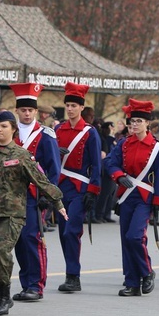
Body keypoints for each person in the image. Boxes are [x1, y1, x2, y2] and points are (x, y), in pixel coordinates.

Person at [0, 111, 67, 316]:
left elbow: (41, 180)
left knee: (0, 252)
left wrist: (57, 202)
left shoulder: (22, 156)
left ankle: (5, 298)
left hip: (13, 214)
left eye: (4, 126)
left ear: (13, 129)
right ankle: (0, 295)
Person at [105, 99, 159, 296]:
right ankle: (132, 282)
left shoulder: (157, 147)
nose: (135, 124)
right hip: (126, 196)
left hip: (144, 197)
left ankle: (147, 272)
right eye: (132, 121)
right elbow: (110, 163)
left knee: (135, 236)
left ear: (147, 123)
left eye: (139, 121)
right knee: (126, 239)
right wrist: (118, 175)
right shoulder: (123, 144)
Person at [8, 83, 62, 302]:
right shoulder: (10, 132)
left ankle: (36, 285)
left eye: (31, 110)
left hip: (34, 196)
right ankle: (25, 283)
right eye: (23, 110)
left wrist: (48, 197)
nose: (27, 113)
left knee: (33, 237)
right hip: (12, 196)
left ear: (36, 112)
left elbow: (53, 169)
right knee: (19, 240)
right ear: (17, 112)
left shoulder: (46, 135)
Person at [54, 82, 102, 292]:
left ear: (82, 108)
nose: (71, 109)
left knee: (71, 231)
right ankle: (69, 273)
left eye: (75, 105)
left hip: (80, 188)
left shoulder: (90, 132)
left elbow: (96, 165)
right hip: (60, 186)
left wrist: (93, 191)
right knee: (63, 231)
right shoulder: (57, 129)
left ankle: (74, 275)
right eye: (68, 105)